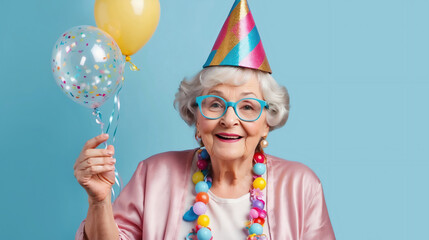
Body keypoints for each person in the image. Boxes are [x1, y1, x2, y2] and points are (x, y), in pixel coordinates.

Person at [74, 1, 335, 239]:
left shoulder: (302, 186)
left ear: (267, 122)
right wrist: (99, 201)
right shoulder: (153, 176)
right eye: (215, 104)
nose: (229, 119)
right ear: (197, 117)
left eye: (247, 106)